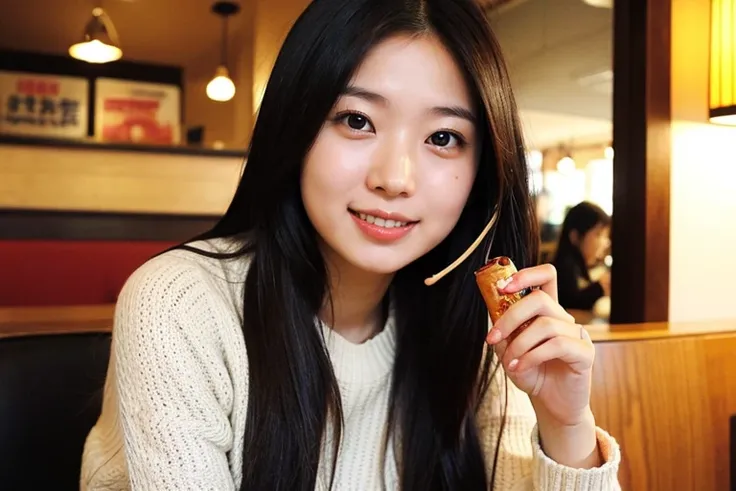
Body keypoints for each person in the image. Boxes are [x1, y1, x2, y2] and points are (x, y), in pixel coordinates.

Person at [81, 1, 620, 489]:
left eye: (443, 138)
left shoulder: (480, 327)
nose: (396, 178)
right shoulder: (180, 306)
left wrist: (565, 426)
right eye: (357, 121)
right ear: (295, 125)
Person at [552, 202, 612, 312]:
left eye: (605, 235)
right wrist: (600, 287)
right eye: (598, 234)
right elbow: (571, 303)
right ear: (575, 236)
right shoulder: (564, 268)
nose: (606, 242)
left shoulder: (580, 266)